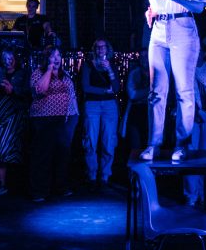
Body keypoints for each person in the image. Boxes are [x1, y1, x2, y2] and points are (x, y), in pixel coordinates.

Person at [142, 0, 206, 161]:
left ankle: (182, 144)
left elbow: (199, 7)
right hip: (159, 31)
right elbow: (154, 4)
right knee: (156, 91)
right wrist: (149, 13)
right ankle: (154, 143)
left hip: (183, 29)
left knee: (184, 91)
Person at [29, 45, 78, 202]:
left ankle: (61, 187)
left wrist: (75, 115)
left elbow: (72, 95)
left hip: (65, 119)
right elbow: (39, 90)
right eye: (52, 56)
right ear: (46, 58)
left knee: (63, 155)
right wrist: (49, 70)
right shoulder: (38, 72)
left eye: (58, 55)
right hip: (44, 118)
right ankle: (40, 190)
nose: (56, 58)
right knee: (43, 155)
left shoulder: (66, 74)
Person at [0, 49, 30, 197]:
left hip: (12, 115)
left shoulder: (23, 73)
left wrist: (12, 89)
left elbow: (28, 93)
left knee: (4, 149)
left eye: (10, 57)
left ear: (15, 59)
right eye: (5, 58)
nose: (8, 60)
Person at [81, 38, 120, 189]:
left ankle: (105, 174)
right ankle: (91, 173)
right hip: (92, 105)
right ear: (95, 50)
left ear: (107, 49)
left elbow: (116, 88)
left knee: (108, 140)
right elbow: (86, 87)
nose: (100, 49)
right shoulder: (88, 65)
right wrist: (104, 91)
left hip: (109, 106)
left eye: (103, 47)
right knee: (90, 139)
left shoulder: (112, 66)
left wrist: (109, 69)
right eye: (98, 47)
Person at [184, 47, 206, 206]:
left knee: (204, 155)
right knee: (191, 154)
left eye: (201, 51)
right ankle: (192, 194)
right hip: (192, 117)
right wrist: (196, 112)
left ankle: (203, 194)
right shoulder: (186, 69)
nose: (198, 54)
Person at [122, 49, 150, 150]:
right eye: (141, 56)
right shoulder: (134, 73)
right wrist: (150, 90)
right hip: (136, 112)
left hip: (153, 113)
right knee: (136, 147)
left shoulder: (157, 73)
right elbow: (132, 95)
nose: (144, 59)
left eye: (146, 56)